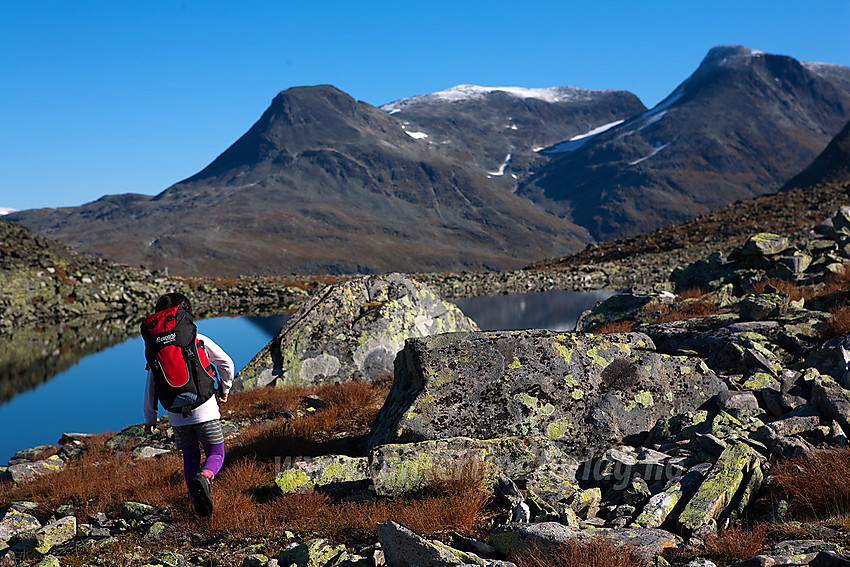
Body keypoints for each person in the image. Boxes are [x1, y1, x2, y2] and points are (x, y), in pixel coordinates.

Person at [142, 292, 234, 516]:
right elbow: (226, 363)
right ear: (186, 313)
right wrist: (225, 388)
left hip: (176, 415)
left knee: (190, 457)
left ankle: (195, 503)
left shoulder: (156, 348)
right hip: (206, 409)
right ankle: (205, 477)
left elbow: (151, 385)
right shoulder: (198, 339)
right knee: (216, 452)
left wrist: (150, 418)